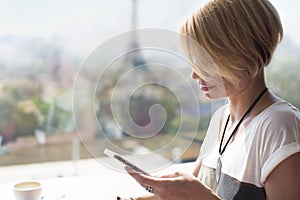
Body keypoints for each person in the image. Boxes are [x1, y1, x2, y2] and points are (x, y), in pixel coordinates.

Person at [123, 0, 300, 199]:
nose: (195, 75)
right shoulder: (222, 119)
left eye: (205, 61)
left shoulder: (279, 126)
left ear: (240, 53)